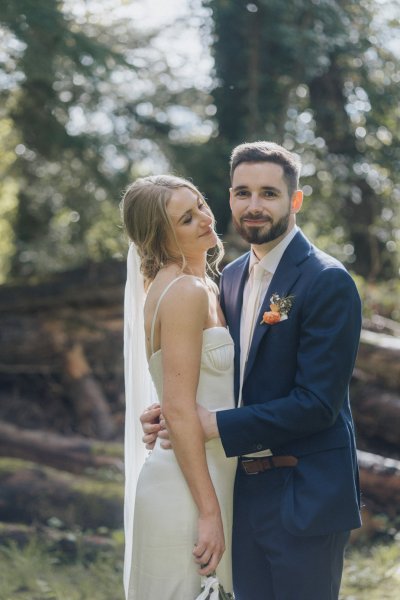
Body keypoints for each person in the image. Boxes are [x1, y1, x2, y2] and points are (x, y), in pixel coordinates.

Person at [142, 142, 362, 600]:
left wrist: (212, 424)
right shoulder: (231, 277)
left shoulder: (327, 280)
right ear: (230, 198)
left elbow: (318, 404)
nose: (254, 206)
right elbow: (222, 375)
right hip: (240, 493)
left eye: (269, 193)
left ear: (295, 200)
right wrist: (170, 412)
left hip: (305, 495)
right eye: (243, 193)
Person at [121, 175, 237, 600]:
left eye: (201, 204)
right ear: (161, 237)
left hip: (209, 478)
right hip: (186, 493)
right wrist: (208, 513)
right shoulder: (184, 291)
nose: (206, 218)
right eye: (187, 219)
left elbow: (181, 390)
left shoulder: (203, 285)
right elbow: (182, 408)